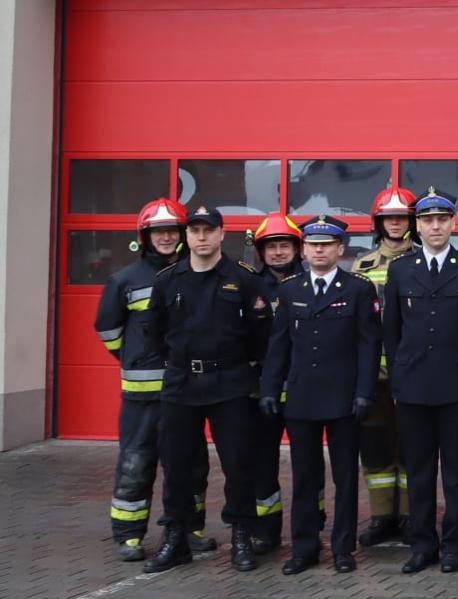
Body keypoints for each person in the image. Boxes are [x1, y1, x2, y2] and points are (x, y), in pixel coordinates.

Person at [140, 206, 274, 573]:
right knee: (177, 465)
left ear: (221, 234)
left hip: (229, 382)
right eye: (195, 230)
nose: (201, 236)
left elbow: (262, 334)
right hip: (181, 382)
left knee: (238, 464)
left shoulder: (243, 279)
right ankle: (176, 538)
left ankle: (241, 536)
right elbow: (154, 332)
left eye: (208, 230)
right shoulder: (168, 280)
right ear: (187, 235)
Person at [383, 188, 458, 574]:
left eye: (442, 220)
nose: (435, 226)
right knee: (419, 470)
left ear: (452, 224)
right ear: (417, 225)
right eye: (427, 220)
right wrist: (398, 381)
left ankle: (454, 543)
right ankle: (422, 544)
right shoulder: (401, 270)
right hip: (413, 385)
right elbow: (391, 332)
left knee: (457, 471)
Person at [258, 215, 378, 574]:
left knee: (345, 477)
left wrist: (364, 393)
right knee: (305, 476)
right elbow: (279, 346)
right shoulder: (290, 290)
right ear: (305, 250)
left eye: (327, 244)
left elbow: (369, 346)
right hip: (302, 398)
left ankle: (343, 548)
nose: (319, 250)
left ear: (340, 249)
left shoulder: (358, 289)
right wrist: (269, 389)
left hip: (344, 398)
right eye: (313, 244)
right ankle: (304, 548)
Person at [96, 198, 204, 562]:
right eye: (158, 231)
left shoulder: (194, 273)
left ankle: (190, 528)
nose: (165, 237)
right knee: (136, 462)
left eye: (171, 231)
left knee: (190, 463)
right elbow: (109, 331)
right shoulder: (124, 280)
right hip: (142, 395)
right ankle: (129, 534)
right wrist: (134, 359)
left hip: (187, 390)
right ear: (145, 236)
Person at [354, 187, 418, 547]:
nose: (395, 223)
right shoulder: (361, 267)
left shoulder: (422, 261)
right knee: (376, 446)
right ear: (379, 223)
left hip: (410, 372)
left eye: (401, 217)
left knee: (411, 446)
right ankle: (382, 516)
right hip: (373, 375)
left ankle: (409, 515)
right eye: (389, 218)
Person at [243, 214, 306, 556]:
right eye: (272, 247)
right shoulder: (250, 287)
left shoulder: (313, 282)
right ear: (261, 252)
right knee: (261, 462)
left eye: (285, 245)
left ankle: (309, 524)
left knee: (306, 460)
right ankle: (265, 530)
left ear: (297, 249)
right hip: (261, 391)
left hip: (302, 387)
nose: (279, 252)